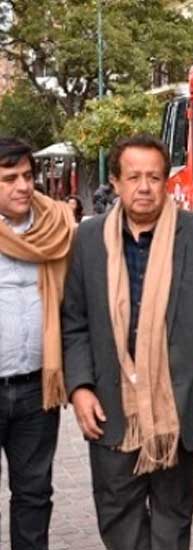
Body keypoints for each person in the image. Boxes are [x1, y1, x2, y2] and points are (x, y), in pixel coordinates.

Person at [61, 134, 193, 550]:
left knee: (173, 522)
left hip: (178, 404)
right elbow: (75, 320)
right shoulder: (89, 240)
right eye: (134, 177)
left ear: (167, 182)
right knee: (118, 518)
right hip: (110, 404)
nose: (144, 187)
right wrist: (80, 386)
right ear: (116, 183)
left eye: (154, 177)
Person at [0, 137, 75, 549]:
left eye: (28, 176)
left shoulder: (58, 227)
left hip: (36, 387)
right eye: (9, 178)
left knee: (33, 494)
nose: (23, 186)